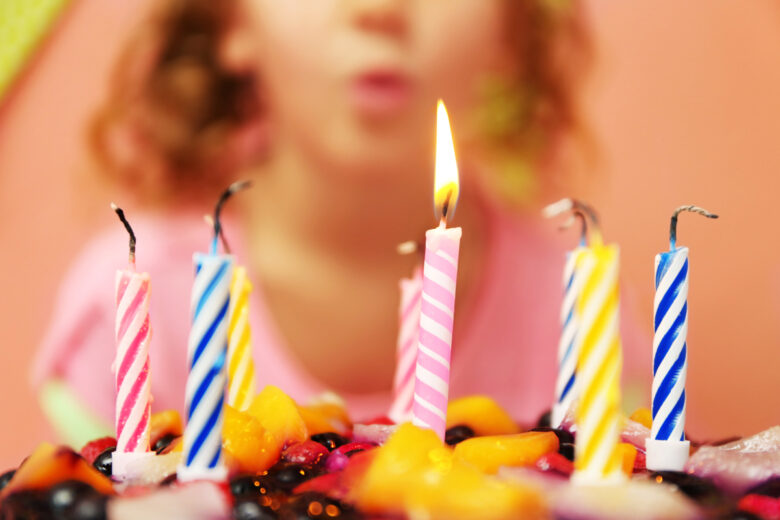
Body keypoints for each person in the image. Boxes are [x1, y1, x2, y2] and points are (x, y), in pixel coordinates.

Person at [33, 0, 645, 445]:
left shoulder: (582, 321)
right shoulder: (136, 319)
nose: (379, 10)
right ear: (231, 23)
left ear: (513, 30)